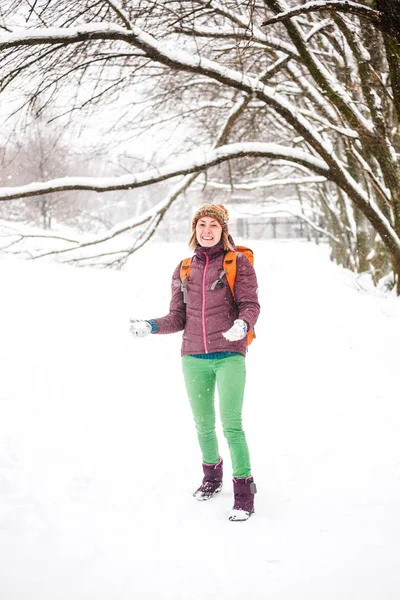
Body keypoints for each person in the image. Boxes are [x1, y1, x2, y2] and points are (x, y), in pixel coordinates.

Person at [129, 203, 260, 521]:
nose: (206, 230)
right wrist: (152, 325)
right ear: (194, 229)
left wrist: (243, 324)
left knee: (232, 425)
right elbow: (178, 316)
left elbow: (250, 304)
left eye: (213, 225)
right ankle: (212, 478)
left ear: (223, 230)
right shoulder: (184, 268)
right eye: (201, 224)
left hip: (229, 354)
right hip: (194, 357)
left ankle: (243, 492)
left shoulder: (237, 262)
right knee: (203, 425)